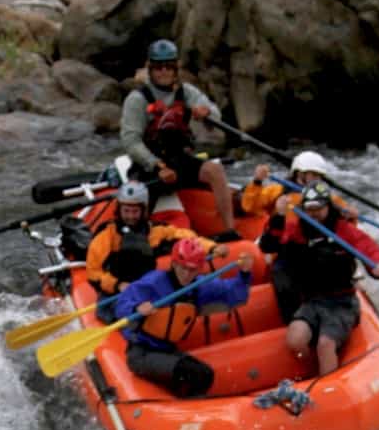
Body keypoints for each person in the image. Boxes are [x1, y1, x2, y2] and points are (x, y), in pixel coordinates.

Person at [259, 181, 379, 377]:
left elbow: (367, 246)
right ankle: (312, 369)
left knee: (326, 344)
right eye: (310, 209)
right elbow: (269, 245)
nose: (314, 214)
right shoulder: (297, 229)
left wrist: (378, 264)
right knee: (295, 340)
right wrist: (279, 216)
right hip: (312, 300)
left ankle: (329, 385)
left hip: (341, 302)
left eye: (319, 208)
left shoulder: (342, 229)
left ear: (328, 207)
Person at [118, 39, 241, 242]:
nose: (163, 71)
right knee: (135, 198)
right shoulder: (138, 99)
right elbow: (131, 142)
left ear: (175, 69)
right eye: (158, 67)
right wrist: (157, 166)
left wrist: (207, 112)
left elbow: (215, 114)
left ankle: (230, 231)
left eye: (168, 66)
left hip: (180, 160)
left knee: (214, 170)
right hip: (150, 166)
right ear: (151, 69)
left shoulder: (186, 93)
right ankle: (137, 240)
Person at [112, 237, 253, 398]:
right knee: (195, 373)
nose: (187, 274)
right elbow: (121, 304)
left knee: (206, 374)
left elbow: (233, 291)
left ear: (199, 269)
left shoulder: (198, 286)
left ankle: (190, 408)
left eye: (192, 270)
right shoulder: (153, 282)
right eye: (183, 268)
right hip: (141, 354)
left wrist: (245, 273)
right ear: (173, 264)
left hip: (167, 351)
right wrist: (136, 307)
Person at [85, 181, 219, 320]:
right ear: (119, 210)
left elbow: (188, 239)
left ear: (144, 210)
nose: (130, 216)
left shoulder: (155, 231)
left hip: (148, 286)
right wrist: (118, 285)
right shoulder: (106, 236)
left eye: (135, 211)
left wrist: (211, 247)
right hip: (116, 292)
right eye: (126, 211)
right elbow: (93, 272)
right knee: (125, 317)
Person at [239, 150, 349, 218]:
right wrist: (257, 182)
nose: (318, 179)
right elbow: (250, 207)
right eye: (314, 175)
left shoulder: (327, 197)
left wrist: (350, 215)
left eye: (320, 176)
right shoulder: (277, 191)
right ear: (300, 174)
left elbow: (348, 219)